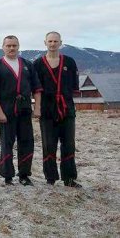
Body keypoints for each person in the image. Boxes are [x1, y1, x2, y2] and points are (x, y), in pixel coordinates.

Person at [0, 35, 42, 186]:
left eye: (14, 45)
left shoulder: (27, 64)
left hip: (25, 109)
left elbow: (37, 88)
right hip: (6, 110)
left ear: (18, 47)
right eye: (8, 46)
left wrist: (37, 107)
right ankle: (7, 176)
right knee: (7, 143)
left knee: (26, 142)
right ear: (3, 47)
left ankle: (24, 175)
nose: (11, 48)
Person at [33, 32, 81, 187]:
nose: (53, 44)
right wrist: (37, 108)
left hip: (66, 108)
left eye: (55, 41)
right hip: (47, 109)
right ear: (45, 43)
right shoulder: (38, 64)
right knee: (49, 144)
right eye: (50, 41)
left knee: (68, 144)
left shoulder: (69, 62)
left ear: (61, 42)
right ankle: (50, 177)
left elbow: (74, 86)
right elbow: (35, 89)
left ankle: (69, 178)